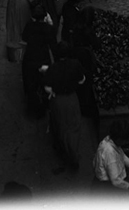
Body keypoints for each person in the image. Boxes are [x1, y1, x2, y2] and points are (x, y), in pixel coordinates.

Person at [42, 41, 86, 171]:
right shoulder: (75, 65)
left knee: (60, 126)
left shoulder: (53, 68)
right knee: (74, 126)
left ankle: (63, 151)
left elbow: (47, 87)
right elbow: (82, 80)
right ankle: (73, 154)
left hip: (58, 101)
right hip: (72, 99)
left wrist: (54, 91)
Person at [21, 3, 57, 117]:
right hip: (43, 58)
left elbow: (24, 38)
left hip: (30, 57)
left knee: (31, 84)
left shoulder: (29, 25)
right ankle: (43, 107)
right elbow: (53, 45)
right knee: (44, 84)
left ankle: (32, 108)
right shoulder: (48, 29)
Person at [93, 120, 129, 192]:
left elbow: (122, 156)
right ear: (119, 139)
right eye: (125, 140)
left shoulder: (110, 140)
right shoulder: (109, 152)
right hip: (106, 185)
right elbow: (115, 180)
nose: (126, 142)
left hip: (107, 179)